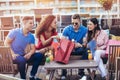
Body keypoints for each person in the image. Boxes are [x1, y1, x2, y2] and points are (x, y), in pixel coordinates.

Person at [61, 14, 88, 79]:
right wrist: (71, 45)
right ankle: (63, 74)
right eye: (72, 23)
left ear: (80, 22)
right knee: (63, 50)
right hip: (69, 50)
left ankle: (81, 72)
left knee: (85, 51)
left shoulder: (84, 30)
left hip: (79, 49)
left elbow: (85, 43)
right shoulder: (67, 29)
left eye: (76, 23)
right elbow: (63, 42)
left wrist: (80, 45)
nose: (74, 25)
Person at [35, 15, 59, 79]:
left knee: (51, 52)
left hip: (48, 50)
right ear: (49, 22)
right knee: (50, 53)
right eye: (55, 22)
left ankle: (50, 73)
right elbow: (44, 43)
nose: (56, 24)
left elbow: (55, 44)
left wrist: (58, 39)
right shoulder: (41, 31)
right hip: (40, 50)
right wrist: (51, 38)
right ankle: (50, 73)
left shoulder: (54, 32)